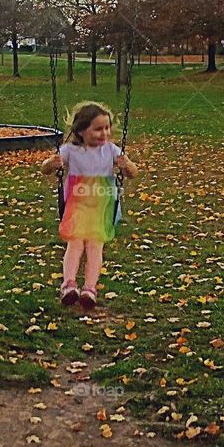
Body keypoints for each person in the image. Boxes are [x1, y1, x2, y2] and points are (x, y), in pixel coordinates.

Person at [41, 100, 138, 309]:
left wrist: (126, 165)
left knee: (95, 246)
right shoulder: (69, 150)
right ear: (82, 131)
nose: (104, 133)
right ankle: (68, 285)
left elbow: (133, 173)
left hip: (102, 204)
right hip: (77, 204)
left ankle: (89, 289)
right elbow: (45, 169)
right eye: (98, 129)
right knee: (75, 243)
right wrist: (52, 163)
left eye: (107, 128)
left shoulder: (112, 150)